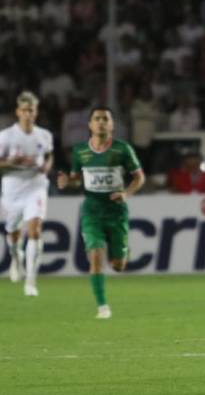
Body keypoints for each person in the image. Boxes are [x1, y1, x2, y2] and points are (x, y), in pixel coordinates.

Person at [56, 107, 145, 319]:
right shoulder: (80, 151)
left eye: (106, 119)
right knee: (95, 256)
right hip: (92, 211)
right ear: (90, 125)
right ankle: (102, 306)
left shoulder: (122, 149)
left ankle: (121, 252)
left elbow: (139, 177)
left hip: (116, 212)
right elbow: (78, 177)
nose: (101, 122)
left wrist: (126, 193)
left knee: (118, 266)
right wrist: (68, 181)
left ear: (112, 125)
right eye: (97, 119)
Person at [0, 91, 54, 297]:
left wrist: (46, 167)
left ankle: (31, 281)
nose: (27, 114)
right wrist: (10, 162)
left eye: (31, 110)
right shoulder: (6, 136)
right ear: (17, 112)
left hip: (36, 187)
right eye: (24, 110)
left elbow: (49, 155)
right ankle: (16, 258)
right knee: (14, 233)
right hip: (13, 190)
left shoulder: (44, 135)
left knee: (35, 230)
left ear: (36, 112)